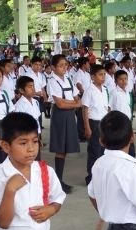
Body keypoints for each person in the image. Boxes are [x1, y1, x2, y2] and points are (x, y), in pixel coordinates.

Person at [47, 54, 81, 193]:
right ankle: (58, 181)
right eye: (61, 66)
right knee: (60, 148)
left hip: (69, 115)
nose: (64, 68)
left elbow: (77, 98)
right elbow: (59, 104)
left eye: (65, 65)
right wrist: (73, 103)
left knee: (66, 149)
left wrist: (72, 103)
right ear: (53, 68)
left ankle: (60, 181)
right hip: (60, 116)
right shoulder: (52, 82)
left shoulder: (68, 78)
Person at [82, 64, 109, 185]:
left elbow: (106, 107)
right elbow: (85, 109)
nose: (103, 77)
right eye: (100, 74)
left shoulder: (105, 90)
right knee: (94, 151)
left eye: (104, 74)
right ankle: (91, 177)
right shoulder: (89, 90)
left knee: (103, 150)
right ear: (93, 77)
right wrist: (87, 127)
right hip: (94, 122)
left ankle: (100, 175)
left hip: (103, 122)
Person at [14, 76, 42, 152]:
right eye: (30, 87)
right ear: (21, 90)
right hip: (26, 138)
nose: (33, 89)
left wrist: (38, 138)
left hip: (35, 136)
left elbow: (37, 122)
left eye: (33, 86)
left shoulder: (35, 102)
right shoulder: (19, 105)